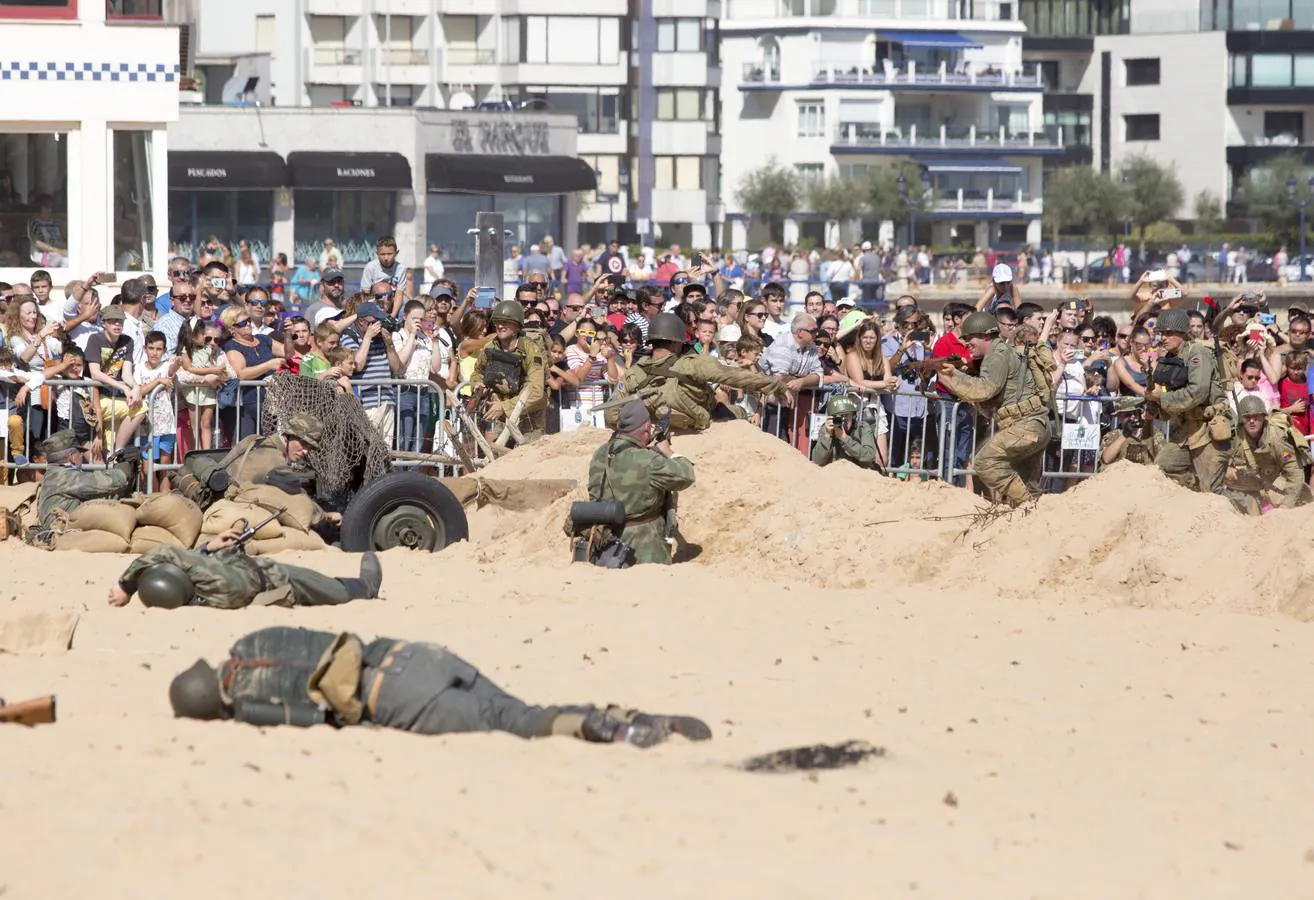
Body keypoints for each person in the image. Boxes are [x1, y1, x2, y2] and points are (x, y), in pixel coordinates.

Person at [165, 625, 711, 748]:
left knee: (515, 725)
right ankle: (630, 713)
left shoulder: (244, 707)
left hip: (399, 699)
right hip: (410, 655)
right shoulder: (255, 636)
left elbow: (322, 718)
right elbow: (329, 633)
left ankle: (613, 733)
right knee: (518, 707)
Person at [935, 312, 1049, 506]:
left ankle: (1030, 507)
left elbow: (983, 389)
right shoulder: (1002, 352)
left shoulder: (996, 354)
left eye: (970, 338)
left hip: (1026, 427)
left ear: (986, 336)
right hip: (1033, 426)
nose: (966, 344)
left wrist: (948, 376)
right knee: (1025, 482)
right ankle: (1035, 517)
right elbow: (990, 403)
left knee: (984, 462)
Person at [107, 536, 381, 610]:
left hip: (261, 585)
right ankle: (365, 587)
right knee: (335, 591)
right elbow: (160, 552)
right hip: (276, 578)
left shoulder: (201, 599)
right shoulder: (196, 570)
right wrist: (125, 587)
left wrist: (210, 548)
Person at [616, 313, 785, 431]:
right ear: (678, 343)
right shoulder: (693, 363)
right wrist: (776, 385)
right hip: (699, 418)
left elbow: (611, 413)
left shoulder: (635, 371)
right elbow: (736, 377)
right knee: (738, 413)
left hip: (649, 424)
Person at [581, 399, 695, 566]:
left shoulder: (601, 453)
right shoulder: (648, 460)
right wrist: (667, 450)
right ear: (647, 426)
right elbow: (687, 475)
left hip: (606, 542)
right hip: (645, 548)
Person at [1145, 308, 1232, 494]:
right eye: (1162, 334)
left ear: (1182, 333)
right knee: (1162, 468)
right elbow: (1173, 397)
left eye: (1168, 333)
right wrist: (1157, 410)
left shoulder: (1197, 353)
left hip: (1208, 429)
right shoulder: (1170, 358)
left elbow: (1197, 392)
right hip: (1186, 429)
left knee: (1212, 491)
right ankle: (1192, 490)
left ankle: (1241, 508)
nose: (1164, 338)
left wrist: (1162, 397)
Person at [31, 429, 135, 541]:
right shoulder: (65, 477)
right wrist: (124, 467)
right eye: (79, 453)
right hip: (62, 533)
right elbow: (107, 482)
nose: (81, 456)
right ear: (71, 457)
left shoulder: (53, 474)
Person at [471, 300, 548, 442]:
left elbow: (536, 391)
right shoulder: (491, 347)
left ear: (517, 325)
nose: (500, 326)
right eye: (497, 322)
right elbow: (478, 372)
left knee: (528, 459)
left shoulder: (531, 350)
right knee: (501, 458)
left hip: (529, 419)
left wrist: (504, 407)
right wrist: (477, 384)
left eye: (506, 322)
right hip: (501, 417)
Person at [1223, 395, 1311, 515]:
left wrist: (1285, 508)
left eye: (1256, 417)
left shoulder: (1277, 437)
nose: (1252, 421)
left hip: (1279, 482)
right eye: (1247, 417)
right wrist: (1228, 467)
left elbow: (1295, 472)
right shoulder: (1237, 436)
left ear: (1264, 418)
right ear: (1241, 420)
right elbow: (1225, 459)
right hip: (1256, 484)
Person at [217, 410, 324, 489]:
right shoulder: (278, 464)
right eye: (303, 443)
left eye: (310, 447)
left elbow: (220, 467)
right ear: (288, 436)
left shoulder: (253, 439)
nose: (306, 451)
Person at [810, 394, 881, 470]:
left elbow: (869, 457)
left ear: (853, 416)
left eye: (846, 415)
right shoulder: (827, 429)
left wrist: (845, 439)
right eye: (839, 416)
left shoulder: (862, 428)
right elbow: (817, 461)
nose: (843, 419)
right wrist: (827, 436)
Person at [1099, 396, 1164, 466]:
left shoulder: (1153, 432)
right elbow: (1106, 459)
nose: (1133, 417)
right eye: (1128, 415)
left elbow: (1163, 458)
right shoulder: (1113, 435)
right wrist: (1124, 435)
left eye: (1136, 413)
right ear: (1119, 416)